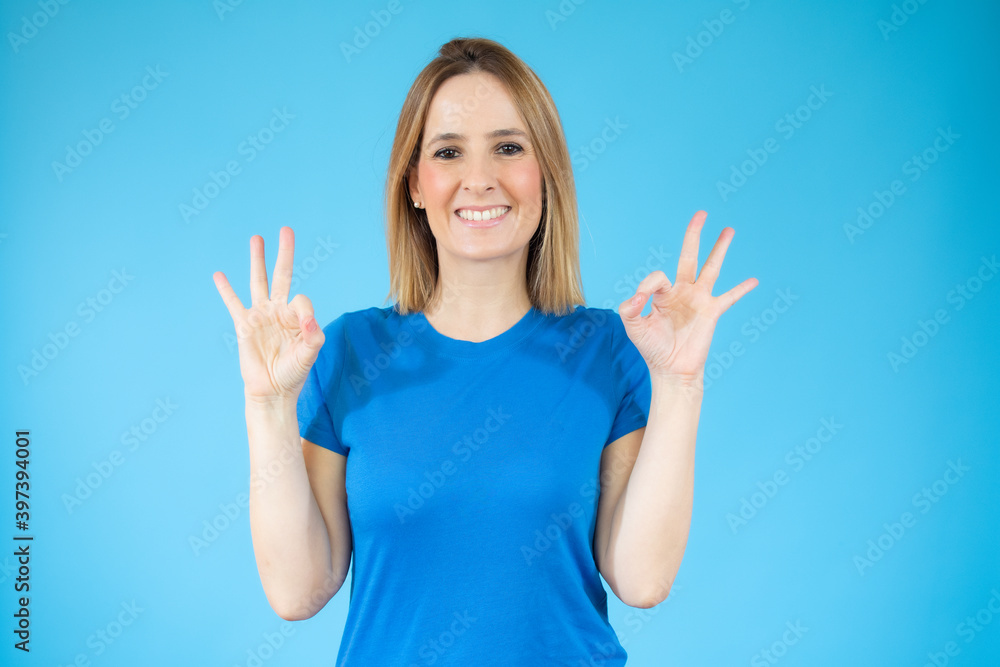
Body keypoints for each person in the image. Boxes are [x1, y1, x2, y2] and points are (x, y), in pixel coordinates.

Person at [213, 37, 757, 666]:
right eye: (448, 152)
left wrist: (681, 387)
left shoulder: (608, 349)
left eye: (508, 147)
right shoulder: (348, 353)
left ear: (544, 173)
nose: (480, 179)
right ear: (414, 183)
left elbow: (642, 580)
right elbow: (296, 590)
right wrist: (267, 405)